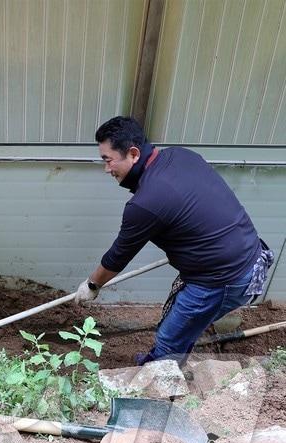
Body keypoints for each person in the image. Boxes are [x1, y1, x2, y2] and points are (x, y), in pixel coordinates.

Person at [74, 116, 274, 365]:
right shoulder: (181, 156)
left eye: (108, 160)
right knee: (183, 325)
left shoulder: (145, 203)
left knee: (170, 335)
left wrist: (92, 285)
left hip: (224, 279)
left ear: (133, 153)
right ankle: (172, 357)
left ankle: (159, 383)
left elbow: (117, 257)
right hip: (249, 255)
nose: (106, 169)